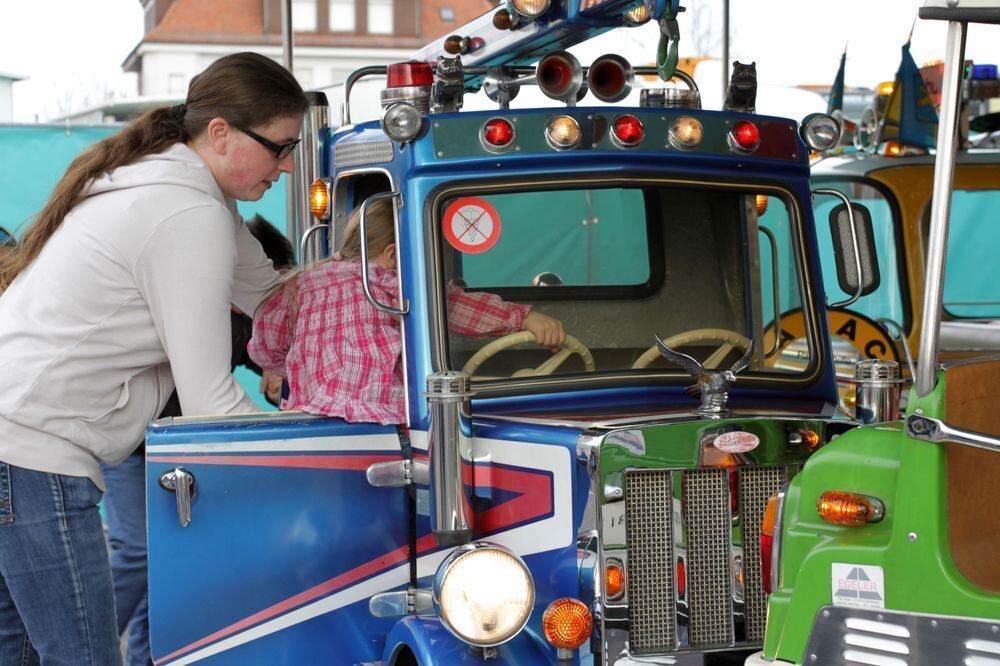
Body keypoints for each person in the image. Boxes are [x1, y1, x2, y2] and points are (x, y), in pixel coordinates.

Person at [0, 52, 308, 665]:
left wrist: (366, 300)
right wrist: (322, 462)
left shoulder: (187, 192)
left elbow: (275, 299)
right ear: (219, 133)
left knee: (21, 654)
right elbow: (209, 401)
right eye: (279, 146)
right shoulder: (187, 212)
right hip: (33, 454)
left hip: (14, 441)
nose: (289, 163)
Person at [102, 215, 295, 666]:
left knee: (168, 560)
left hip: (176, 455)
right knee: (135, 548)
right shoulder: (183, 301)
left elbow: (270, 373)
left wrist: (278, 372)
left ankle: (148, 658)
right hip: (130, 447)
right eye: (261, 287)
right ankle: (80, 644)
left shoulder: (248, 324)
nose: (265, 302)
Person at [249, 197, 566, 424]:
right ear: (391, 256)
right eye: (426, 260)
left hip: (310, 418)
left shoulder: (300, 285)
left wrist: (297, 365)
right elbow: (458, 307)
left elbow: (265, 346)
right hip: (378, 419)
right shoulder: (394, 284)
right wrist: (524, 317)